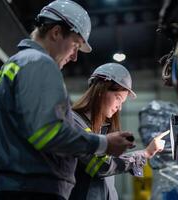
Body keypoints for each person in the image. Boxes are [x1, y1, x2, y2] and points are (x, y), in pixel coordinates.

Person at [0, 1, 134, 200]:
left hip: (16, 185)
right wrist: (103, 143)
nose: (75, 56)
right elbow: (47, 132)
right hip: (33, 189)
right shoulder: (39, 62)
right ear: (56, 32)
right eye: (76, 44)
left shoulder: (14, 64)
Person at [68, 63, 167, 200]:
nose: (119, 108)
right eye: (118, 98)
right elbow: (100, 166)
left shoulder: (100, 130)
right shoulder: (74, 122)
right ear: (101, 90)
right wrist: (146, 153)